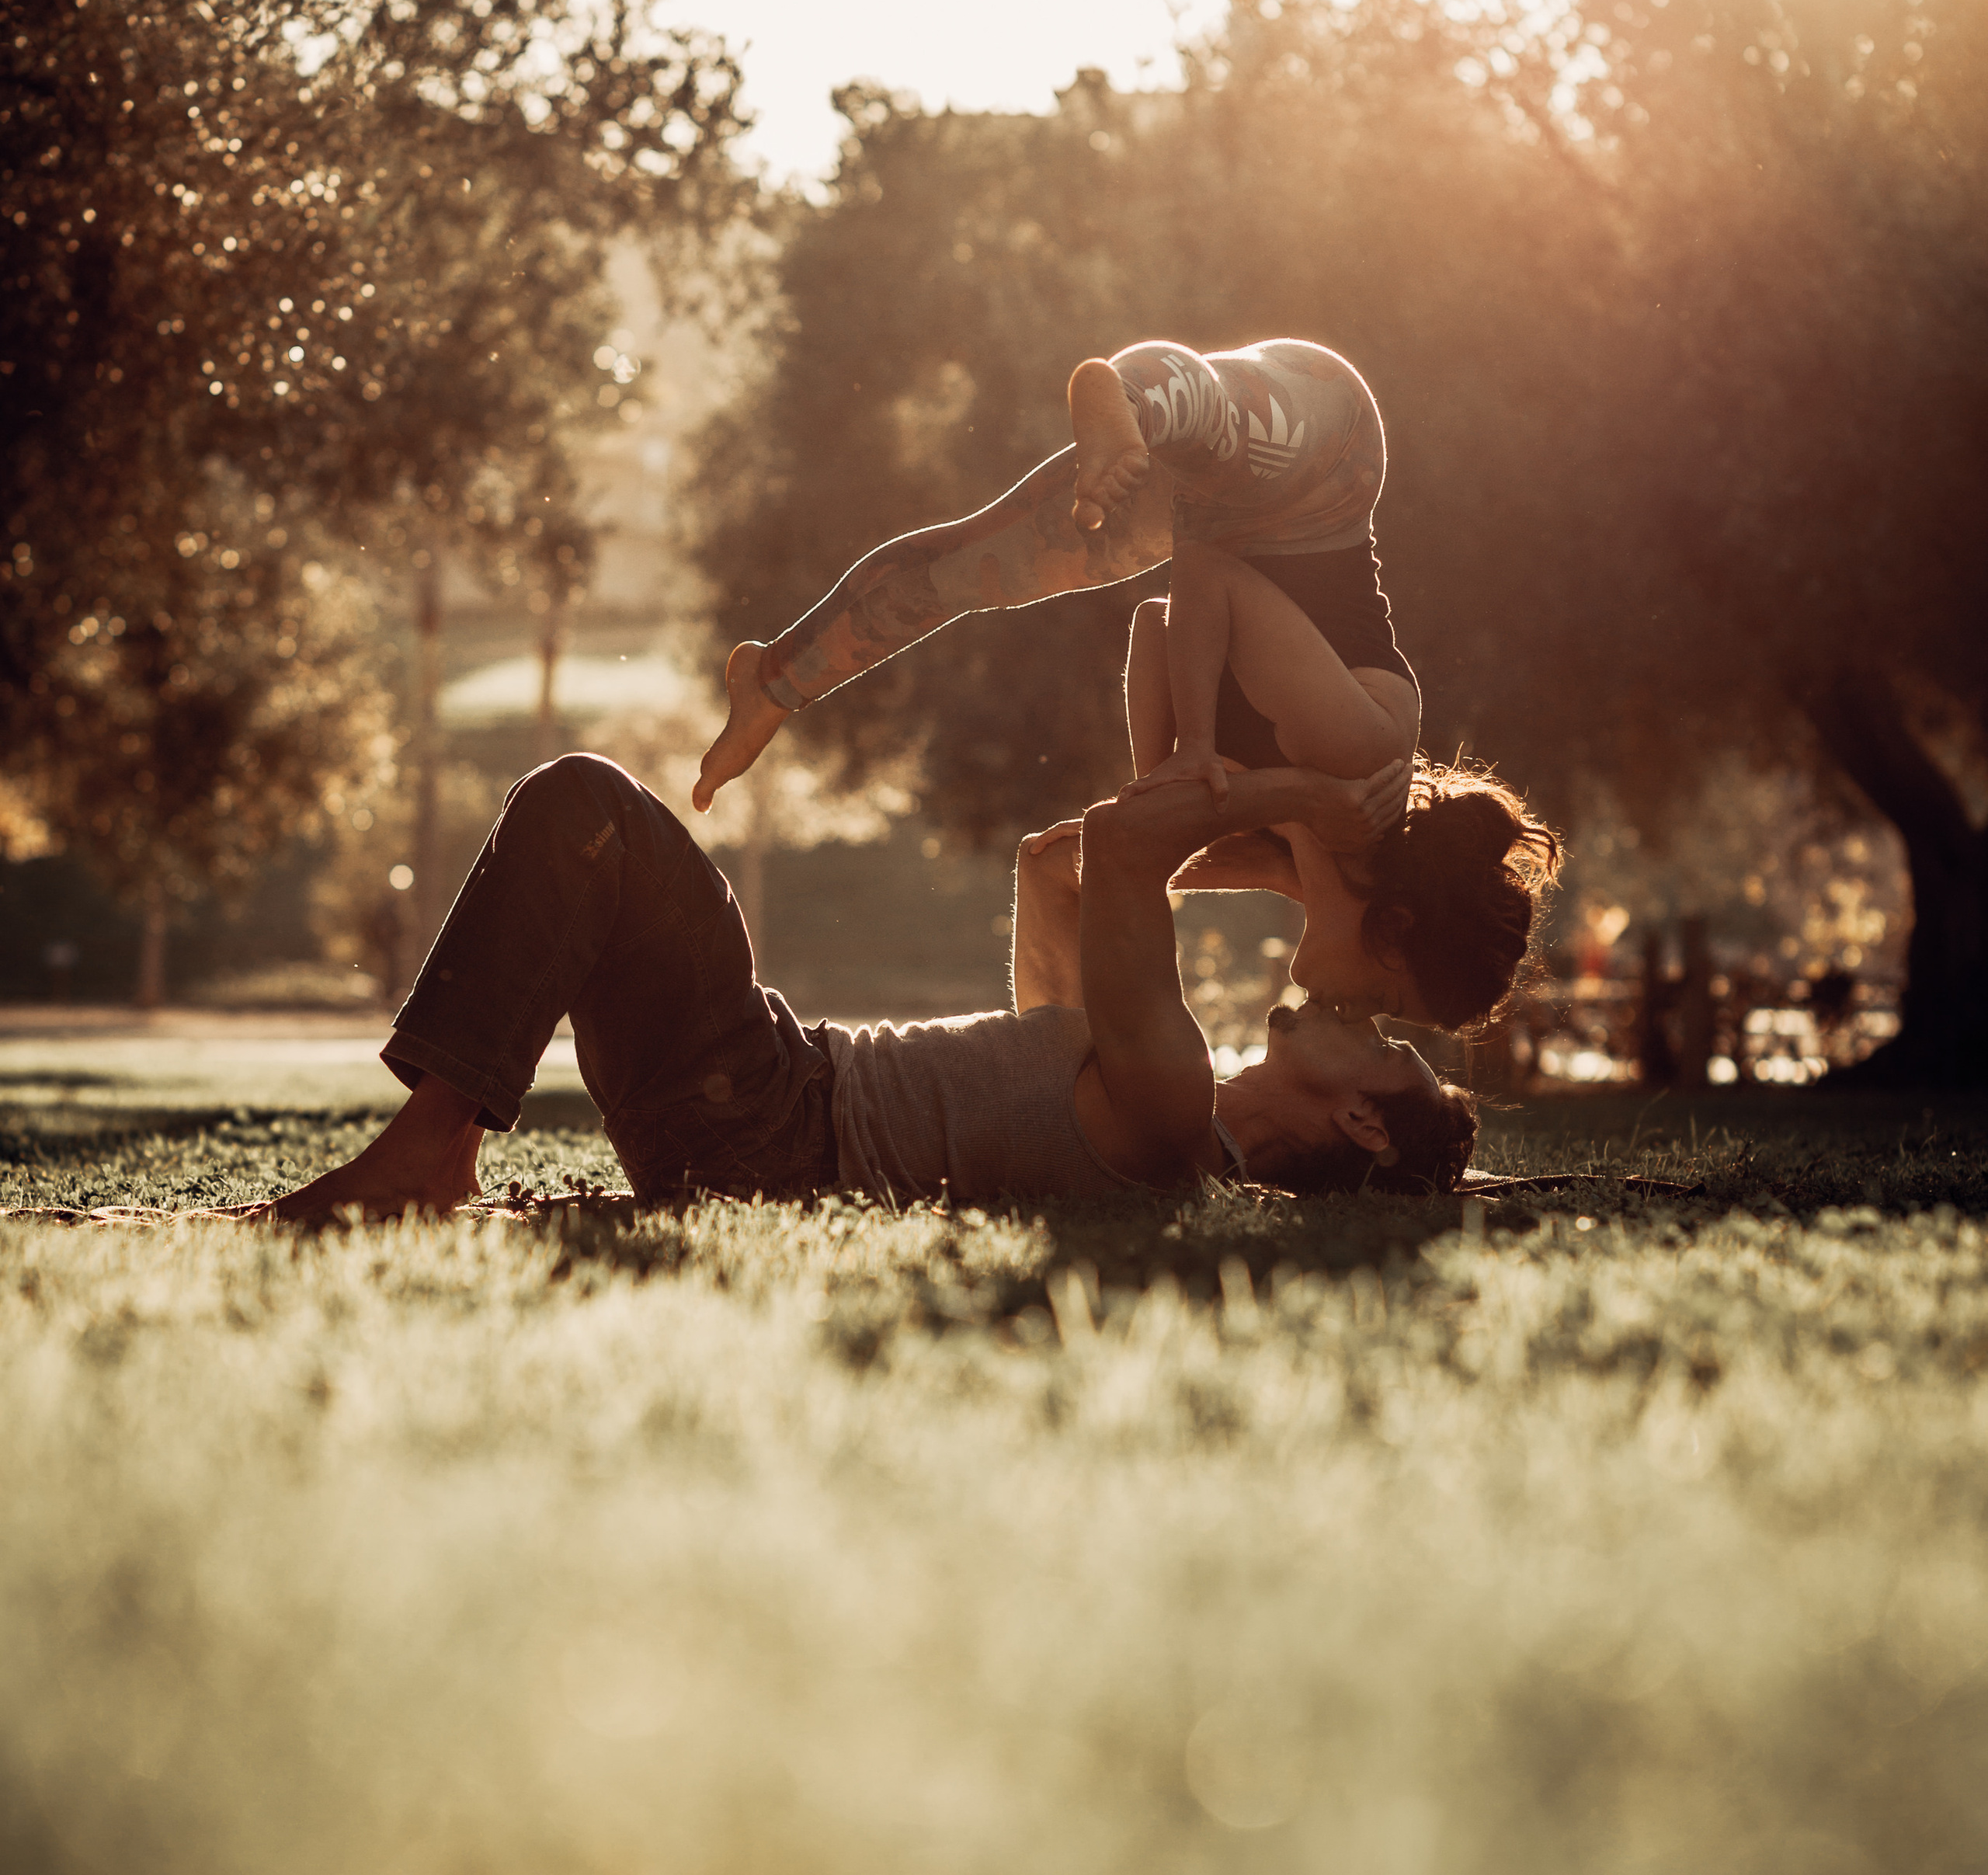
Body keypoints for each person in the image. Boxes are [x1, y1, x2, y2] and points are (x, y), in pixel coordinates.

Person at [693, 336, 1558, 1033]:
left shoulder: (1284, 855)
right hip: (1321, 454)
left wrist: (1162, 793)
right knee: (1212, 421)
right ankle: (1124, 393)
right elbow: (1208, 575)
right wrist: (1195, 751)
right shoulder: (1361, 765)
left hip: (1214, 510)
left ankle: (772, 682)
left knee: (970, 569)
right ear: (1397, 938)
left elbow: (1155, 623)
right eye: (1391, 1008)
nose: (1365, 1023)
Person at [257, 751, 1476, 1226]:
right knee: (593, 832)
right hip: (750, 1103)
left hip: (768, 1116)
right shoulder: (1145, 1079)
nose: (1375, 1025)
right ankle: (436, 1144)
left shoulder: (1170, 1104)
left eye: (1394, 1055)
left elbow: (1125, 845)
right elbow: (1060, 865)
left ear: (1362, 1120)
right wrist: (1296, 861)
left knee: (589, 810)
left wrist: (1315, 822)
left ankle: (429, 1149)